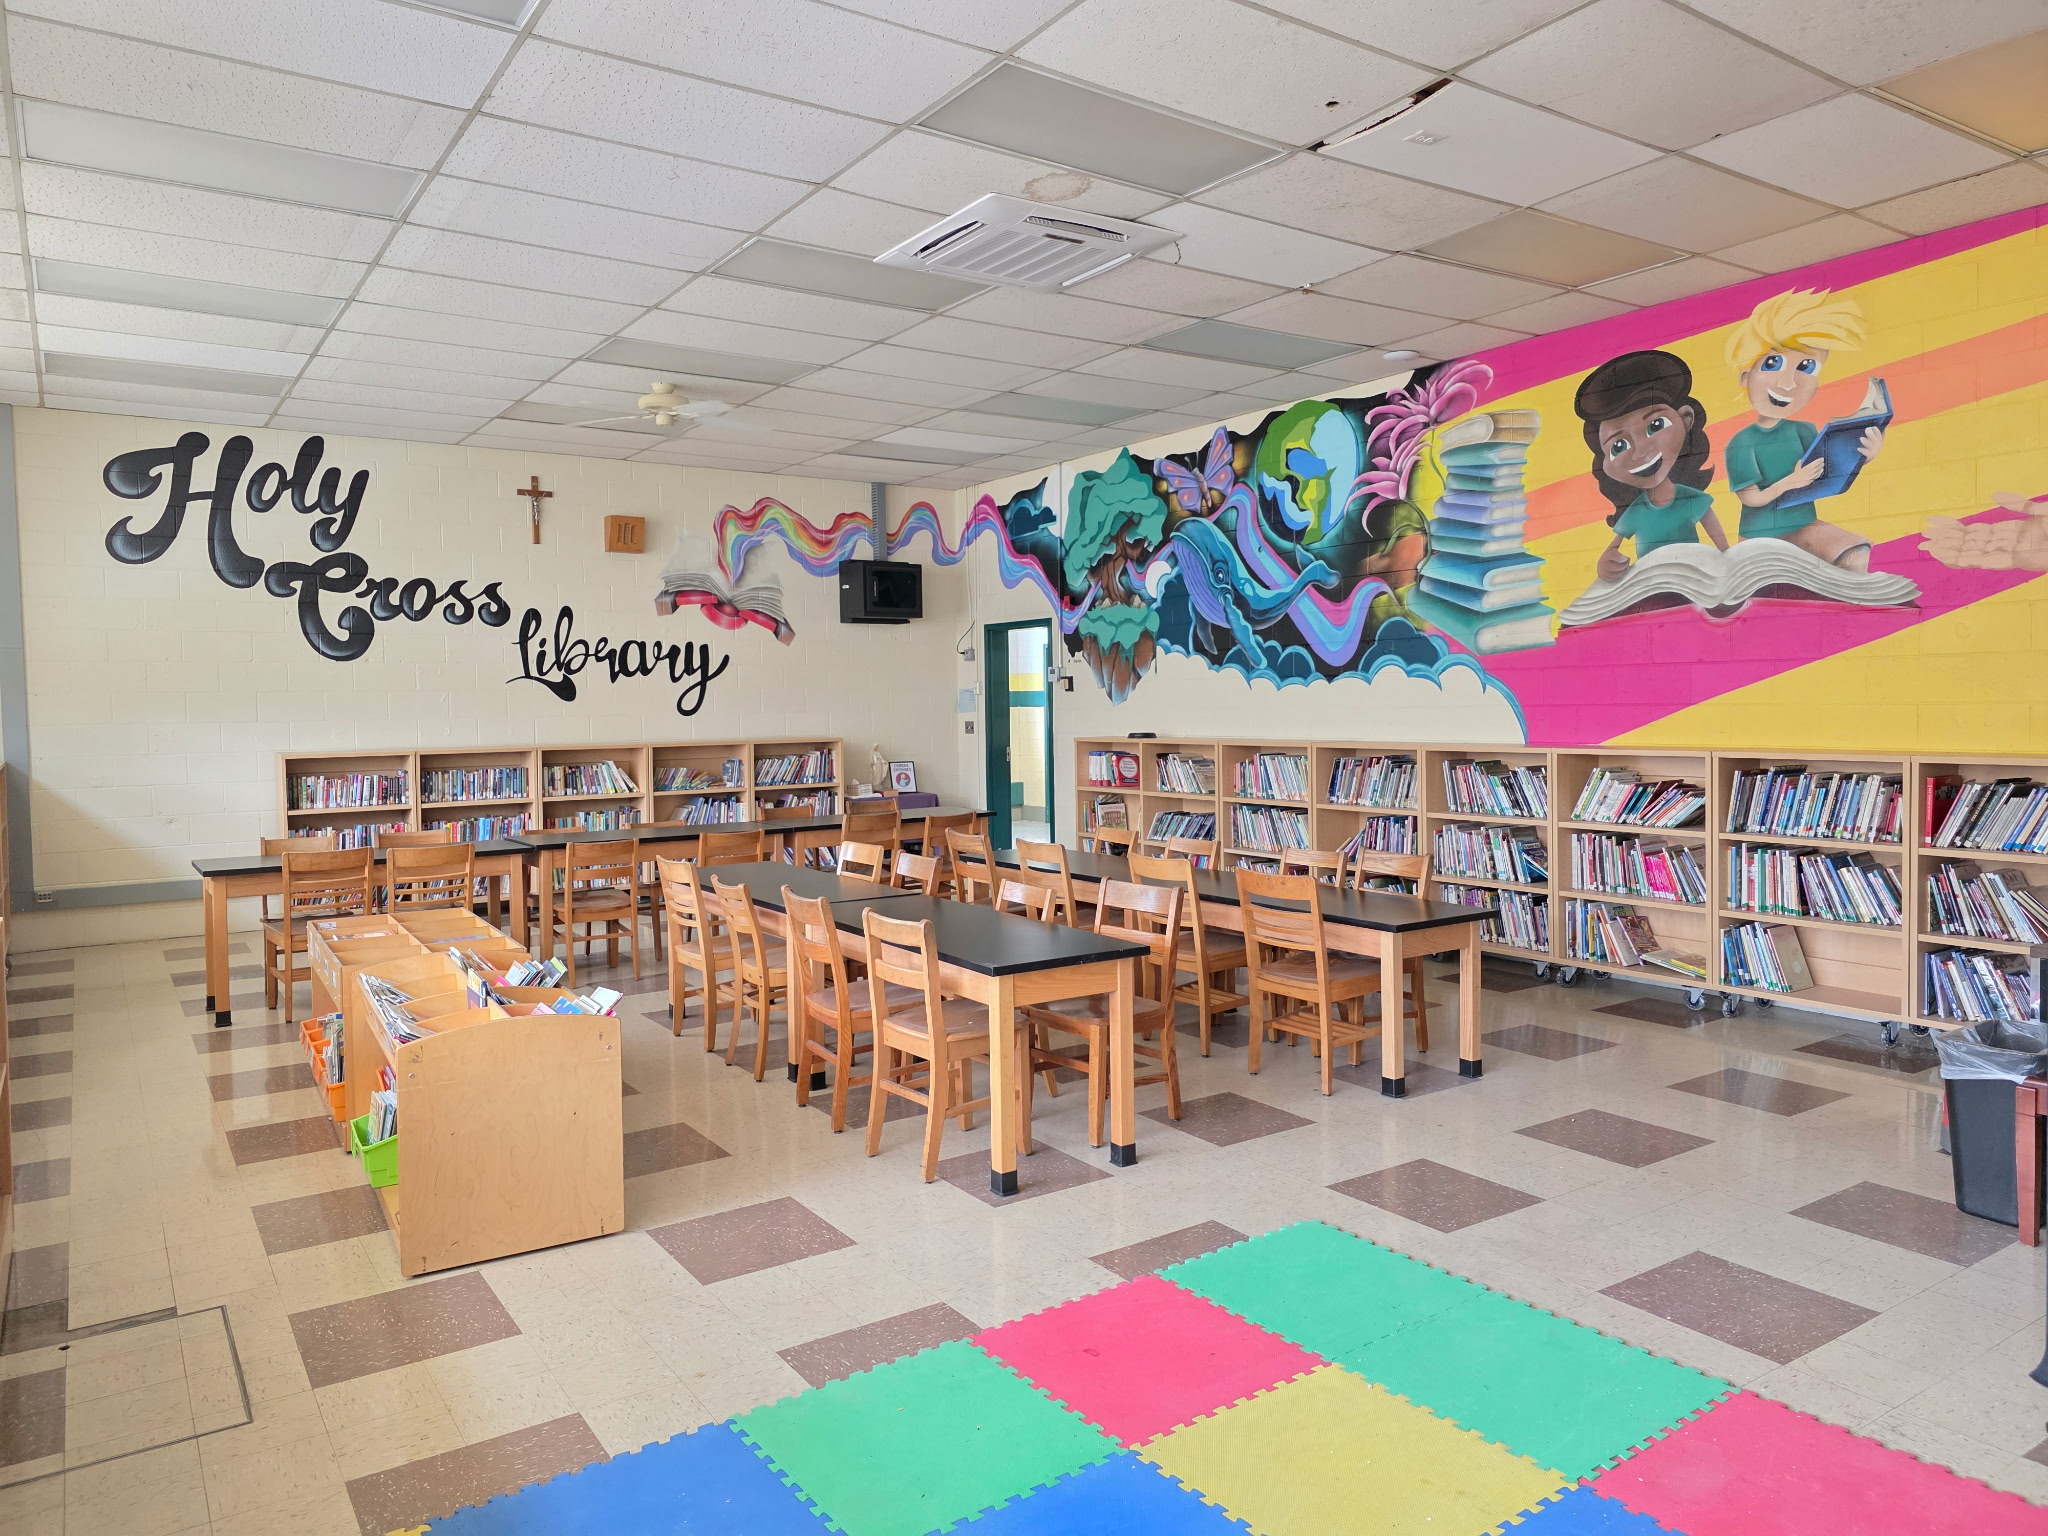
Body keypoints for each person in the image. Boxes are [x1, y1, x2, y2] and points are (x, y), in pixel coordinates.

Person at [1724, 289, 1883, 571]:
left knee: (1855, 553)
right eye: (1773, 363)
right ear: (1746, 377)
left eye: (1806, 366)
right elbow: (1751, 498)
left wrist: (1863, 455)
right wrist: (1790, 481)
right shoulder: (1742, 442)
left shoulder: (1803, 430)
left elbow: (1828, 477)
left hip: (1805, 528)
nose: (1788, 383)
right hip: (1759, 537)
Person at [1574, 351, 1727, 581]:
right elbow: (1611, 550)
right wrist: (1606, 565)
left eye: (1655, 425)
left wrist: (1726, 561)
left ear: (1686, 419)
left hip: (1693, 579)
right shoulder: (1636, 509)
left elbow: (1722, 544)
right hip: (1650, 585)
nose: (1641, 451)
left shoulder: (1690, 499)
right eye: (1618, 446)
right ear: (1605, 465)